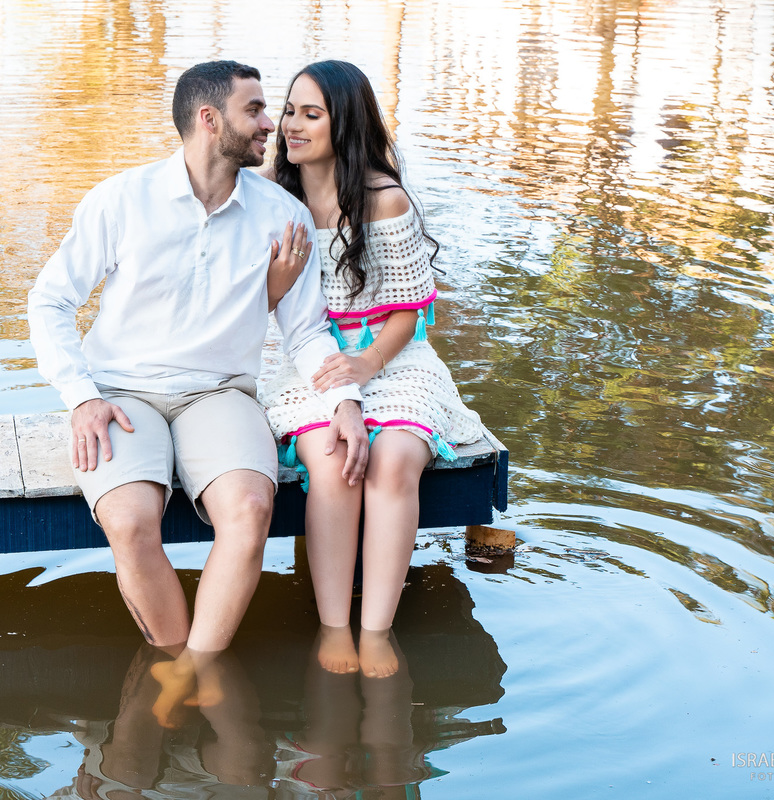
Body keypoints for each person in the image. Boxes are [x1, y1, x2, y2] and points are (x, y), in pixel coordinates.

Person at [28, 61, 369, 709]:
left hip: (220, 394)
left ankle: (190, 676)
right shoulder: (121, 200)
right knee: (130, 522)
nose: (273, 124)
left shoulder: (279, 213)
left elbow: (305, 331)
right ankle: (177, 656)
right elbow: (49, 301)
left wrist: (344, 404)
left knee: (249, 512)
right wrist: (81, 396)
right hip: (121, 392)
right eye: (257, 111)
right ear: (209, 121)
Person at [261, 60, 487, 678]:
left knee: (393, 458)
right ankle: (334, 626)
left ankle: (377, 629)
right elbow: (257, 309)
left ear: (346, 123)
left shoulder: (383, 199)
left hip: (390, 353)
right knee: (332, 461)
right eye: (289, 111)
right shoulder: (269, 197)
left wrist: (367, 362)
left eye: (313, 114)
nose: (293, 127)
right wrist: (278, 287)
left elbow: (412, 311)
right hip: (300, 355)